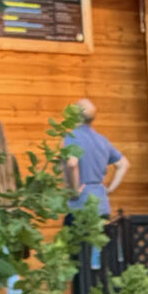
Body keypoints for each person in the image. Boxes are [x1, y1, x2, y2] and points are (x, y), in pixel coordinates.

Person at [61, 98, 126, 257]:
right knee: (97, 259)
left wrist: (74, 189)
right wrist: (110, 188)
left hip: (80, 206)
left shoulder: (71, 137)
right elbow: (123, 164)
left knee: (77, 260)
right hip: (101, 205)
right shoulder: (102, 140)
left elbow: (72, 163)